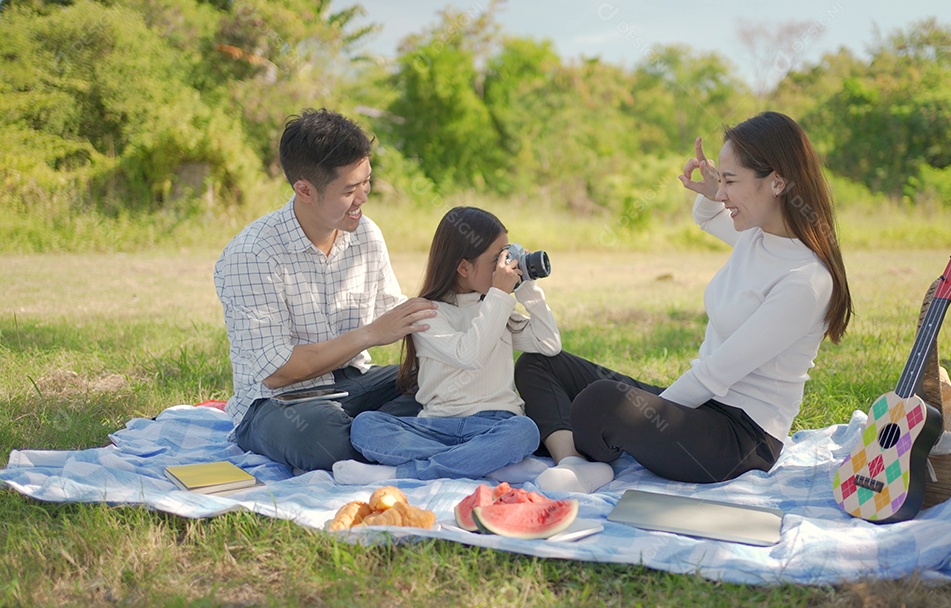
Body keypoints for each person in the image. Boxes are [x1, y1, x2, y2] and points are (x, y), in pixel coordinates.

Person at [516, 111, 853, 490]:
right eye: (720, 181)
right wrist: (713, 192)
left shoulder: (804, 281)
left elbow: (715, 375)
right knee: (541, 364)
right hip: (699, 409)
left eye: (731, 181)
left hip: (738, 441)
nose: (722, 193)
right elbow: (709, 219)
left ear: (776, 182)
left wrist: (648, 414)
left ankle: (573, 439)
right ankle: (574, 461)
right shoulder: (758, 237)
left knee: (602, 402)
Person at [214, 109, 438, 473]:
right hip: (281, 404)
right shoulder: (252, 254)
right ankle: (397, 435)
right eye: (349, 189)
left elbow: (394, 313)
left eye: (366, 181)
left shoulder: (366, 234)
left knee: (440, 380)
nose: (363, 196)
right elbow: (277, 371)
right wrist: (370, 334)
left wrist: (468, 312)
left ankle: (379, 435)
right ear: (304, 190)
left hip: (355, 386)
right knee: (321, 438)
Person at [337, 207, 559, 483]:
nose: (505, 267)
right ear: (464, 267)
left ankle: (402, 473)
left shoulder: (494, 306)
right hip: (436, 426)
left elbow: (549, 343)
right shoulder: (428, 313)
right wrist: (500, 295)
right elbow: (470, 355)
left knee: (524, 431)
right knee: (366, 426)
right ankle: (485, 462)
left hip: (495, 423)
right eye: (497, 261)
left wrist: (525, 286)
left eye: (508, 256)